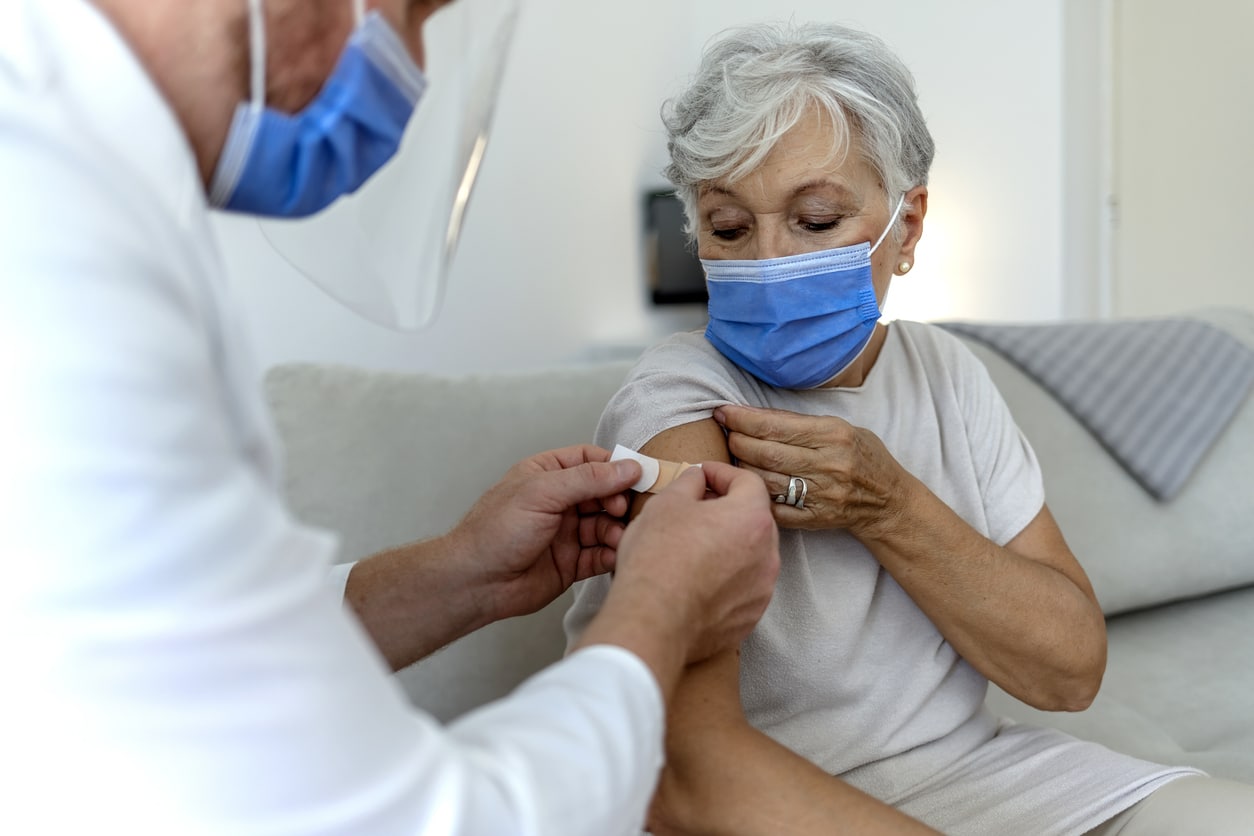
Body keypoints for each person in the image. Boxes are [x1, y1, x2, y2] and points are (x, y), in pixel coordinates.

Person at [0, 1, 787, 834]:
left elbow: (180, 646)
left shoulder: (82, 192)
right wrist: (661, 606)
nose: (414, 66)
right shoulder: (54, 255)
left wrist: (463, 573)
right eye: (411, 12)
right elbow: (417, 818)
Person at [563, 21, 1254, 836]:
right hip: (768, 806)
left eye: (816, 219)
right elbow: (688, 772)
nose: (769, 262)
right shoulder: (680, 397)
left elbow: (1069, 672)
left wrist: (888, 504)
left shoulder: (945, 373)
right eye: (729, 227)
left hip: (970, 770)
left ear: (909, 226)